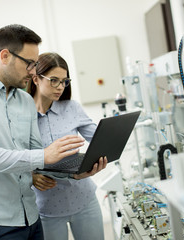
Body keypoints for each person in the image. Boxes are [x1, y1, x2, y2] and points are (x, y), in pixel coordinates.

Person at [0, 24, 87, 240]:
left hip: (30, 217)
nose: (33, 72)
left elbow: (34, 155)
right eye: (30, 64)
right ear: (5, 56)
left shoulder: (24, 100)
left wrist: (75, 171)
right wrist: (43, 154)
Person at [26, 52, 107, 240]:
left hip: (84, 200)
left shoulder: (72, 108)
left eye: (64, 81)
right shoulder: (21, 115)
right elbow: (12, 156)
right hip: (47, 208)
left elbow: (98, 139)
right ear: (36, 79)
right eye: (54, 80)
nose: (60, 87)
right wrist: (31, 176)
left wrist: (94, 161)